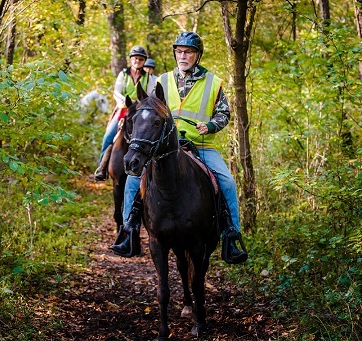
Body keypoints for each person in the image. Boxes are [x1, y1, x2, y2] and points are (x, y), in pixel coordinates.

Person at [110, 31, 248, 265]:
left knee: (227, 181)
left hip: (200, 145)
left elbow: (224, 112)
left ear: (197, 55)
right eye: (179, 51)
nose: (182, 56)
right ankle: (128, 231)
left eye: (188, 52)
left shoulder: (213, 83)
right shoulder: (162, 80)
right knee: (134, 178)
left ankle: (230, 236)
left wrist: (212, 125)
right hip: (164, 147)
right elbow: (148, 108)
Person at [94, 46, 157, 181]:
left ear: (144, 61)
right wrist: (125, 101)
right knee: (109, 135)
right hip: (124, 109)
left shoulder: (149, 78)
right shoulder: (123, 74)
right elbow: (116, 92)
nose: (137, 61)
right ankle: (102, 167)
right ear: (131, 59)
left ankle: (150, 170)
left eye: (140, 59)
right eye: (135, 59)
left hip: (140, 112)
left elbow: (150, 95)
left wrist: (139, 104)